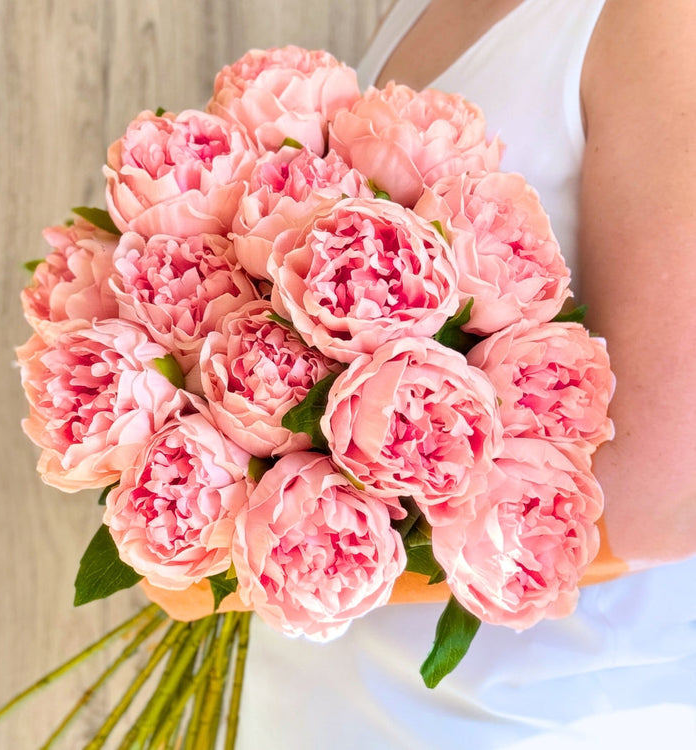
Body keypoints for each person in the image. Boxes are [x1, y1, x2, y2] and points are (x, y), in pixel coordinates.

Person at [230, 1, 696, 748]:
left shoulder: (658, 20)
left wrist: (237, 577)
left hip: (530, 717)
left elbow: (662, 501)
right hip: (323, 699)